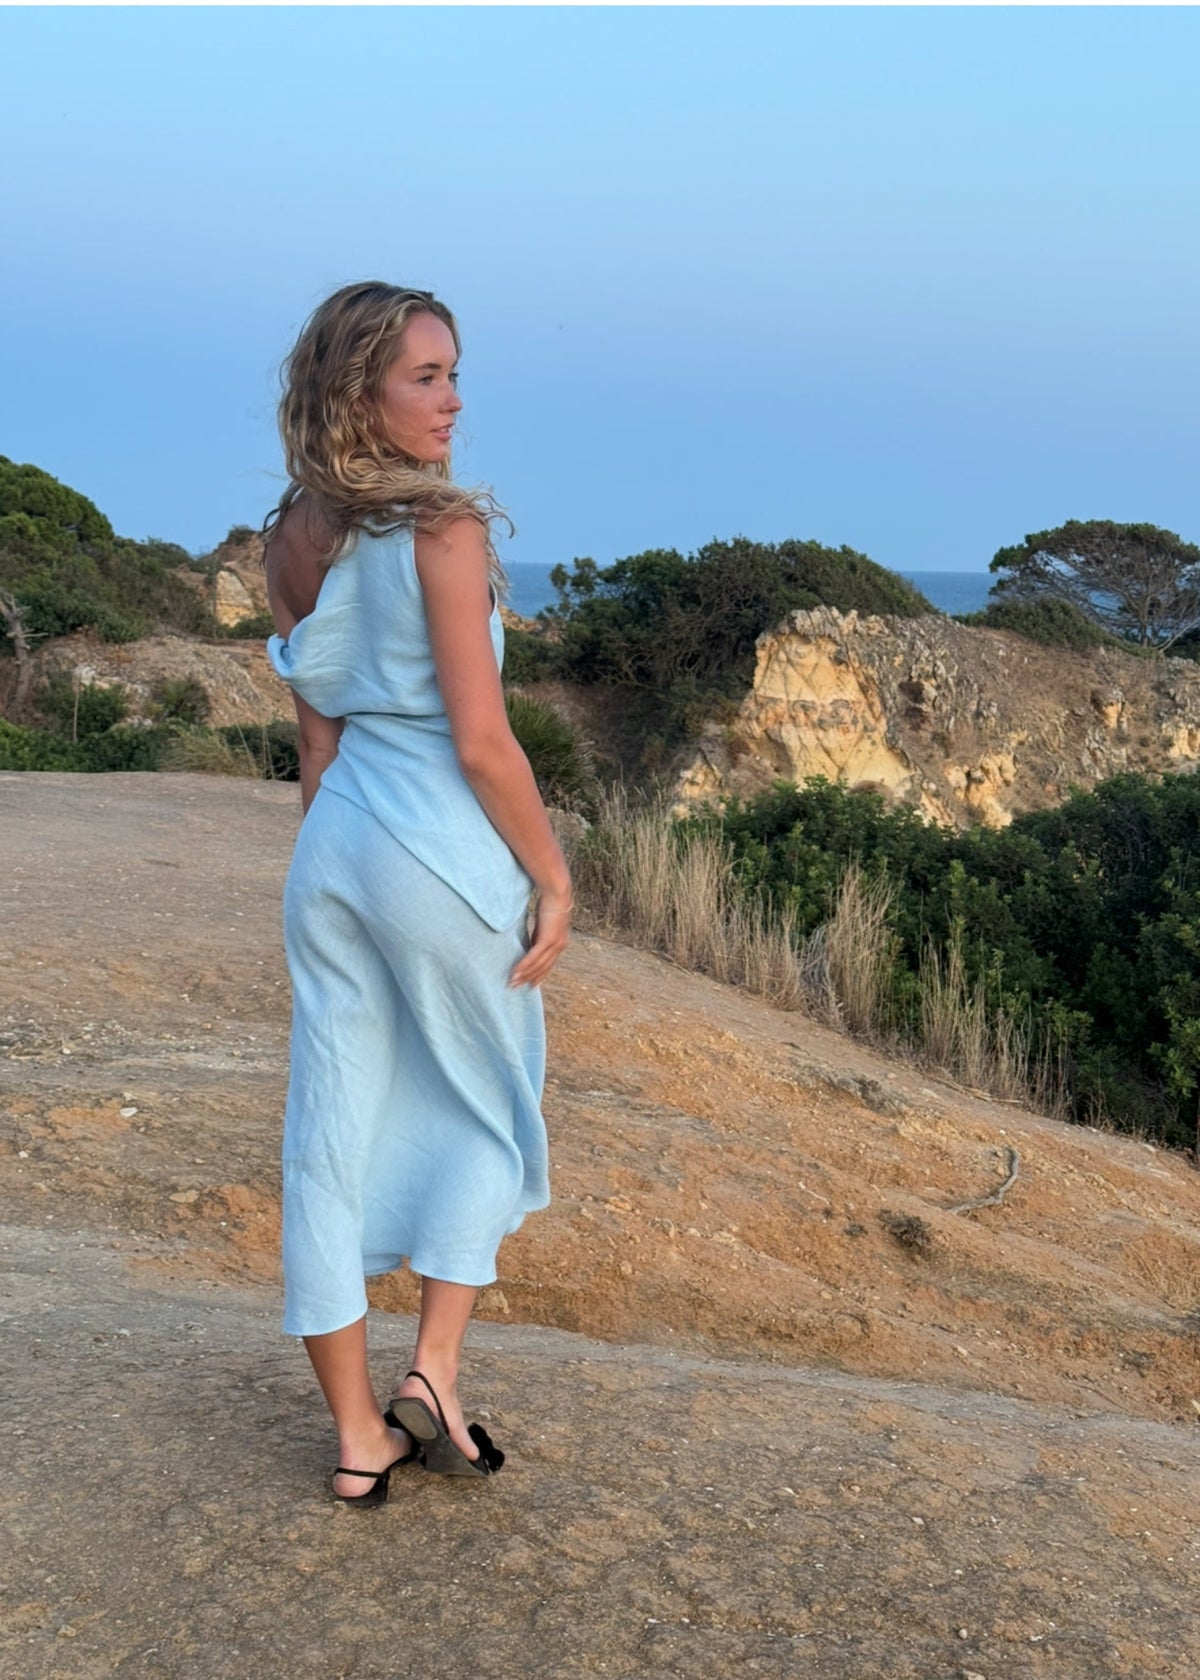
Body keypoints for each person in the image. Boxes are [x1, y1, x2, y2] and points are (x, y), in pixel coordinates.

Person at [262, 281, 572, 1505]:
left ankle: (357, 1439)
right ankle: (433, 1372)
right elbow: (485, 740)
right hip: (440, 854)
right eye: (425, 378)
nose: (452, 401)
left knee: (329, 1133)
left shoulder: (287, 533)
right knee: (493, 1104)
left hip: (336, 850)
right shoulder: (442, 530)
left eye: (453, 374)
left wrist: (327, 865)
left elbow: (318, 741)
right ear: (357, 392)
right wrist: (552, 875)